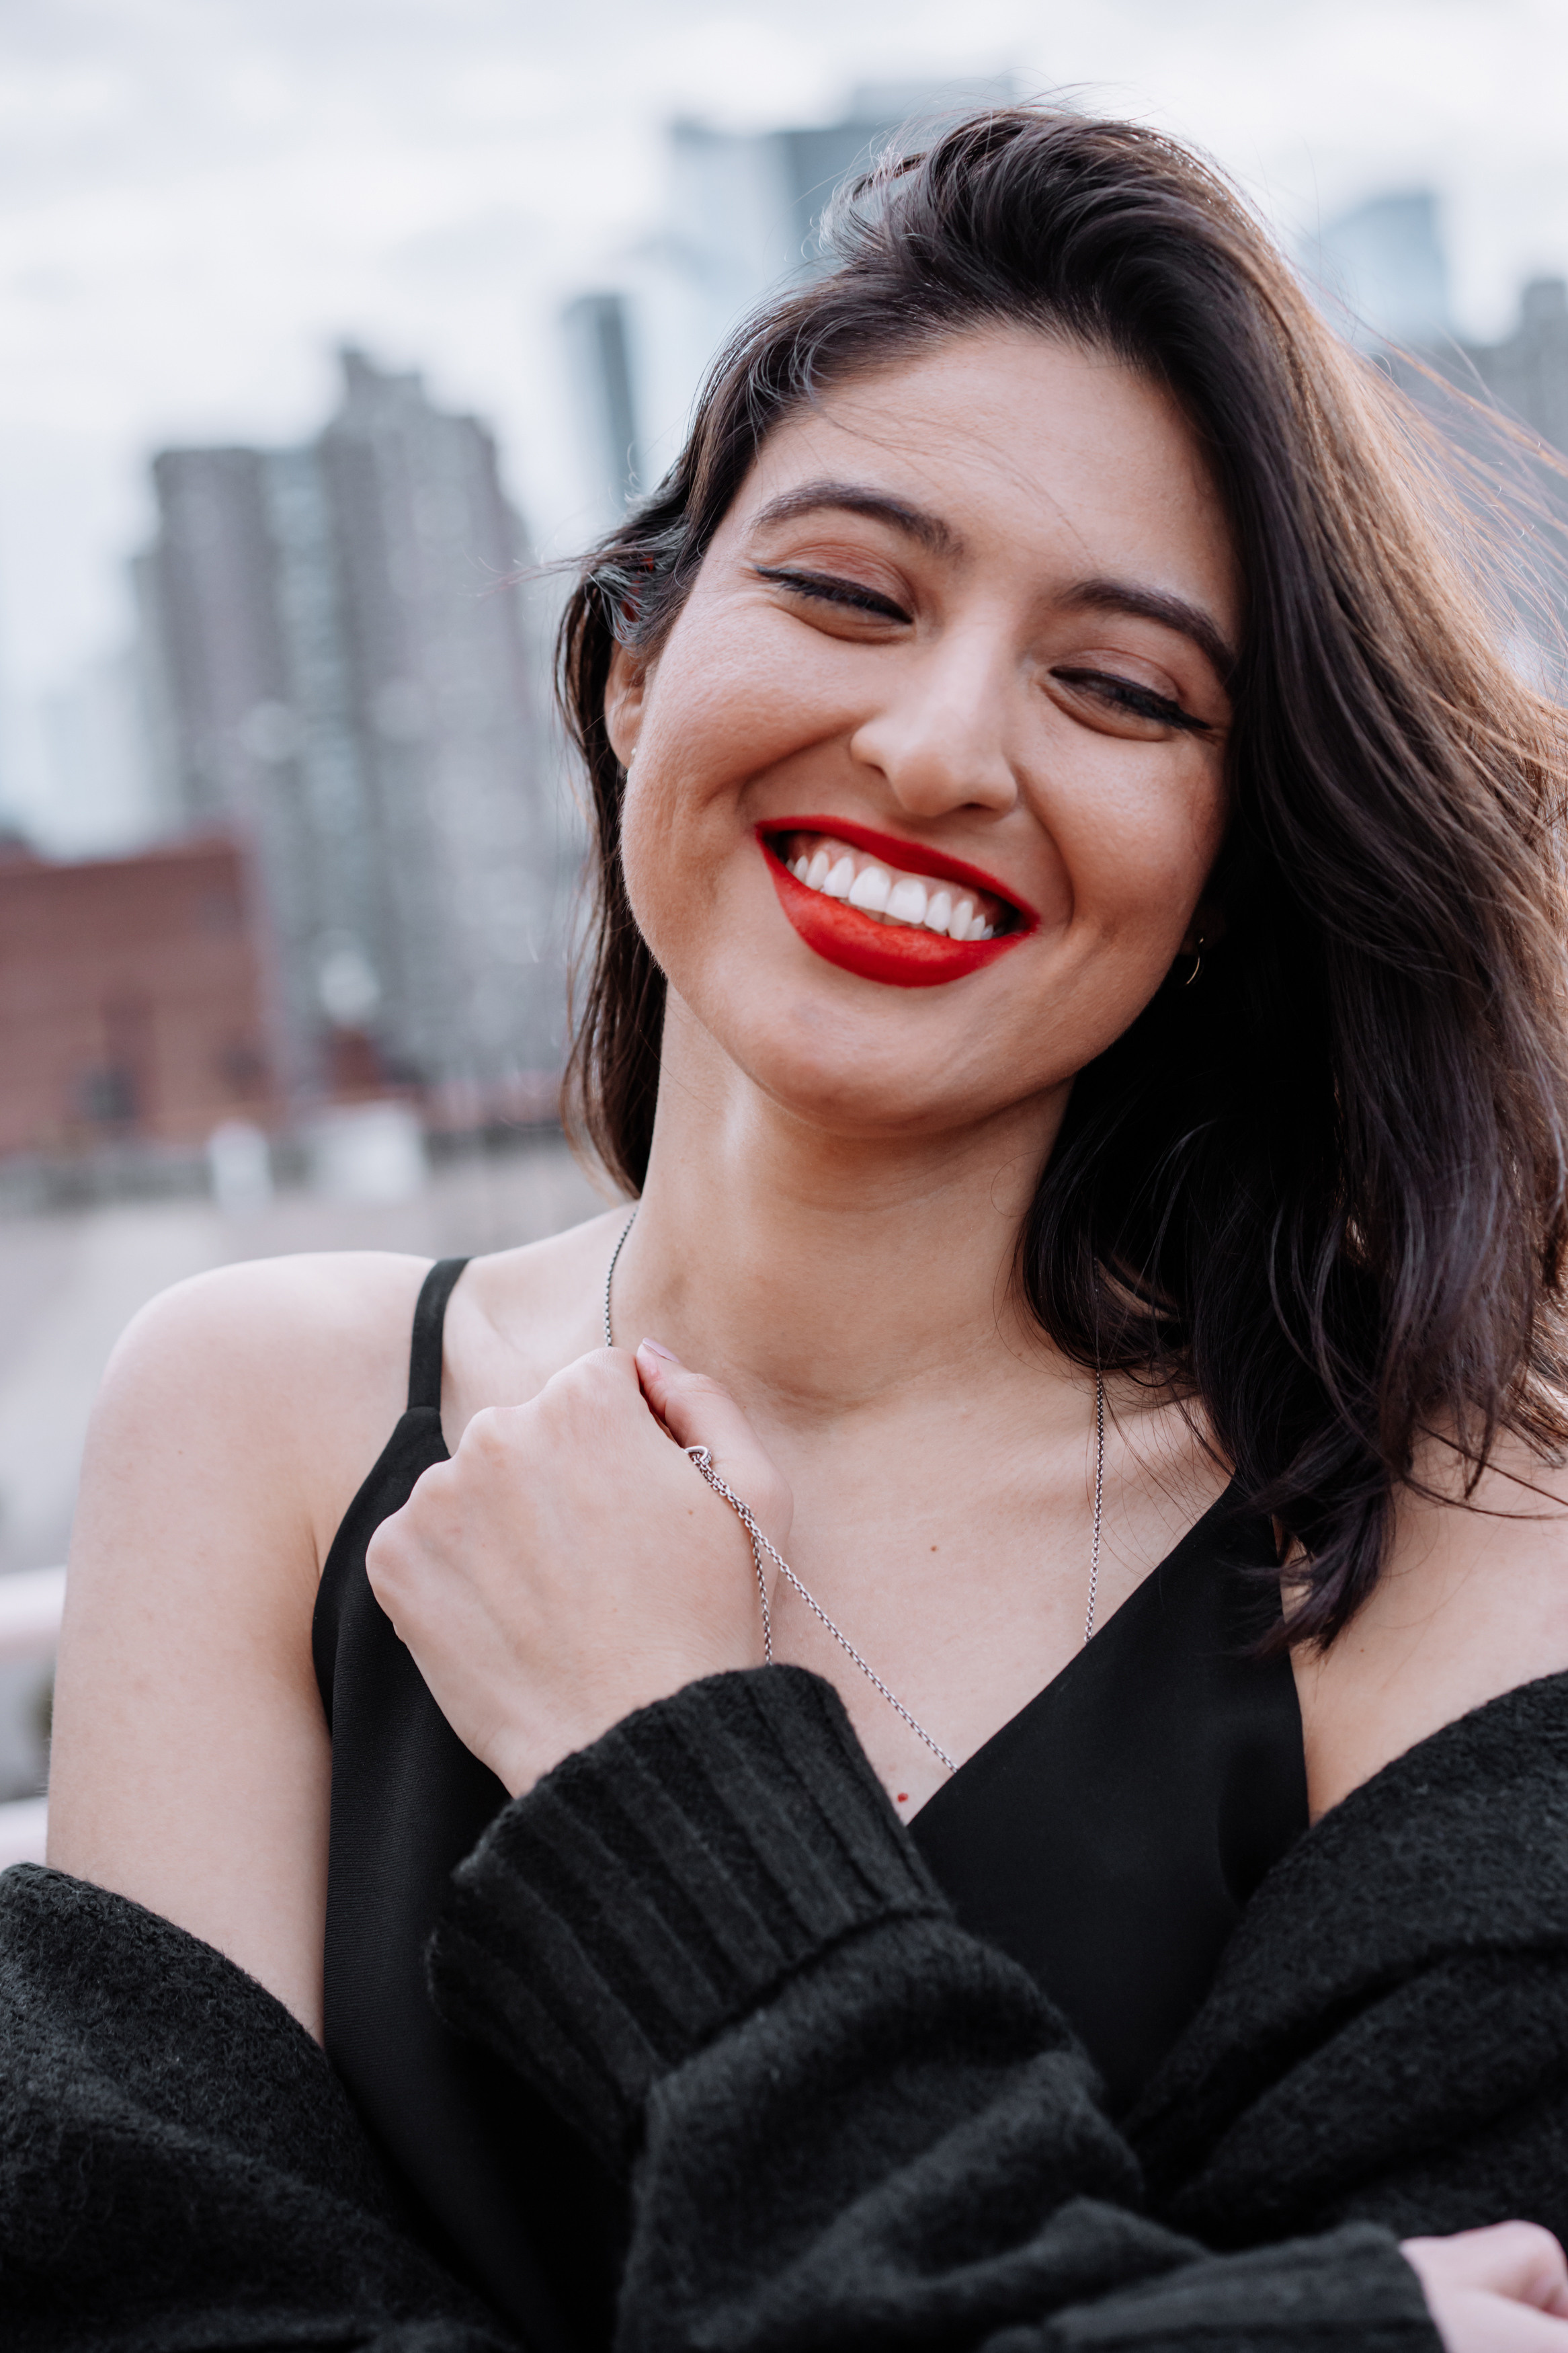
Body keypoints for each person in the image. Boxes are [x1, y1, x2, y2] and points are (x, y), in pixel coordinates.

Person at [26, 104, 1568, 2351]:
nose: (941, 747)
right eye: (850, 591)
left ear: (1232, 863)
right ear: (637, 667)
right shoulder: (261, 1418)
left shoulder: (1452, 1508)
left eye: (1121, 690)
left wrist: (671, 1762)